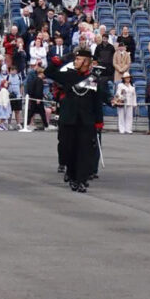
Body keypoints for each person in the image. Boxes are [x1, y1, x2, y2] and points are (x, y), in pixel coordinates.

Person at [45, 49, 104, 193]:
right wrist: (59, 61)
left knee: (85, 151)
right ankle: (71, 175)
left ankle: (81, 180)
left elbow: (97, 101)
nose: (75, 61)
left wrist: (99, 121)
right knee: (69, 149)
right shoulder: (69, 76)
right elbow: (49, 73)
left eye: (78, 59)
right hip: (68, 119)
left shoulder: (93, 78)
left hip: (86, 120)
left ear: (86, 62)